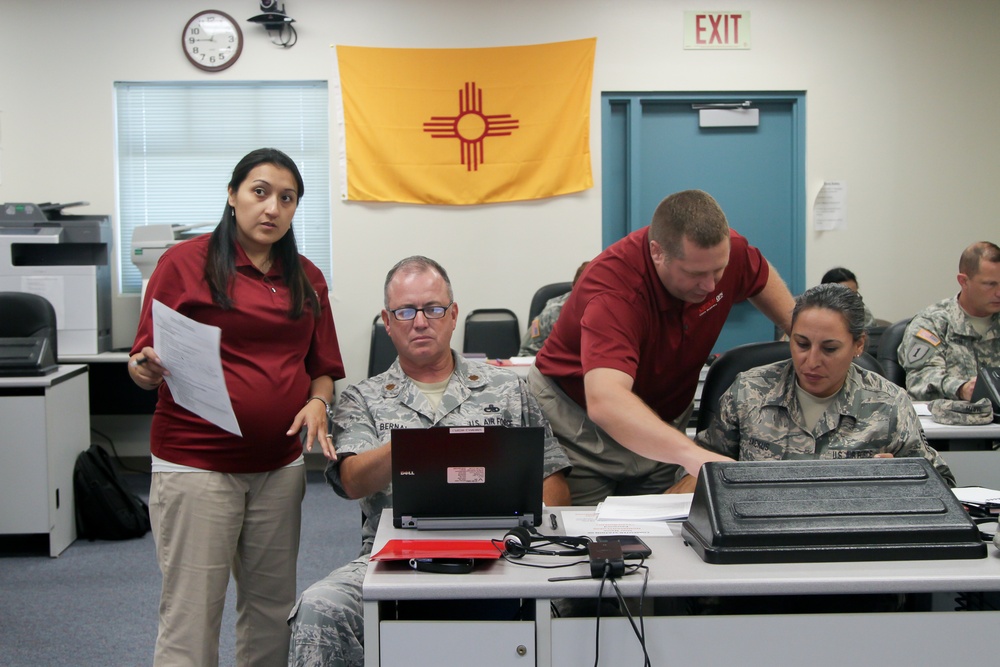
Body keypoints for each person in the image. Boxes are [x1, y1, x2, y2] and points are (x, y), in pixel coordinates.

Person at [287, 256, 571, 667]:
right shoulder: (361, 398)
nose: (420, 322)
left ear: (453, 315)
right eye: (405, 311)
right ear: (388, 321)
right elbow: (351, 481)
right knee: (319, 608)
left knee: (587, 597)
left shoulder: (507, 388)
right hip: (397, 556)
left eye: (433, 309)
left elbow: (554, 478)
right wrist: (413, 447)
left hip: (504, 552)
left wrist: (531, 530)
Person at [129, 147, 345, 666]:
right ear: (232, 196)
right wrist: (145, 367)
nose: (272, 208)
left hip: (279, 466)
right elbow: (141, 359)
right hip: (197, 463)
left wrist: (318, 403)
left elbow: (323, 368)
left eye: (287, 198)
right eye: (260, 192)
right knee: (192, 611)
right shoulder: (184, 264)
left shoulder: (308, 277)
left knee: (272, 610)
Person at [529, 189, 795, 505]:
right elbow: (606, 401)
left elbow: (758, 274)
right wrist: (692, 454)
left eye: (719, 271)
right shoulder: (614, 292)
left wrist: (799, 331)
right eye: (695, 274)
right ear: (657, 252)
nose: (711, 286)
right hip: (580, 421)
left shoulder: (719, 252)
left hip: (659, 415)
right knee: (587, 533)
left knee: (663, 532)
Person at [694, 283, 955, 486]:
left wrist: (903, 479)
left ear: (859, 345)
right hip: (758, 531)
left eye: (829, 348)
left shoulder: (889, 403)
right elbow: (700, 469)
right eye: (802, 344)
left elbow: (943, 484)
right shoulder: (749, 391)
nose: (812, 361)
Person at [900, 241, 1000, 401]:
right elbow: (920, 379)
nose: (999, 293)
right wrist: (961, 389)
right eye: (990, 284)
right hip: (951, 421)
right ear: (964, 281)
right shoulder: (932, 322)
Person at [517, 261, 590, 356]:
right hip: (559, 366)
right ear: (573, 288)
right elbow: (527, 352)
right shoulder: (553, 311)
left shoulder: (611, 310)